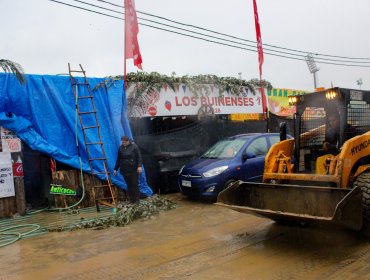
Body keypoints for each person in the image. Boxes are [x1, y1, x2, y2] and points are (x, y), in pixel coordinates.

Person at [113, 136, 142, 204]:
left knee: (134, 184)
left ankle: (137, 200)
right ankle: (132, 200)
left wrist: (139, 166)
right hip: (124, 170)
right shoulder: (120, 148)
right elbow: (118, 159)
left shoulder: (134, 147)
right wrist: (115, 169)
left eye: (125, 142)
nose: (123, 143)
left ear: (128, 141)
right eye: (122, 142)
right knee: (129, 185)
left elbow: (139, 157)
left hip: (133, 169)